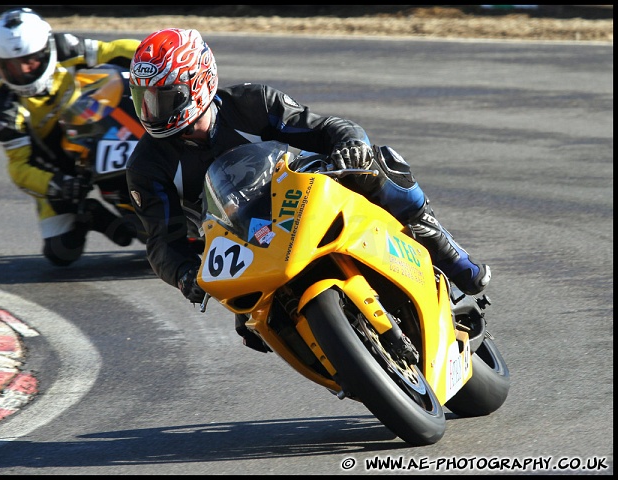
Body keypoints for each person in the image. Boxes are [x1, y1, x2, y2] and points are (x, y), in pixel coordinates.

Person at [125, 28, 491, 352]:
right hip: (238, 240)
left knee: (376, 166)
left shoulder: (253, 103)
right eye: (143, 99)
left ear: (198, 82)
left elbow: (329, 127)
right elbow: (161, 240)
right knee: (257, 332)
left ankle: (440, 242)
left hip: (299, 195)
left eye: (162, 98)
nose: (150, 111)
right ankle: (345, 364)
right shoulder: (146, 165)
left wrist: (351, 144)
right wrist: (184, 275)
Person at [0, 7, 142, 266]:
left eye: (29, 61)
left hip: (98, 125)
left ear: (46, 51)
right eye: (10, 65)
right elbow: (20, 166)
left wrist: (157, 57)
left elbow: (115, 50)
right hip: (56, 165)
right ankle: (91, 214)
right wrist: (58, 184)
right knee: (61, 251)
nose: (22, 71)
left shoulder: (66, 47)